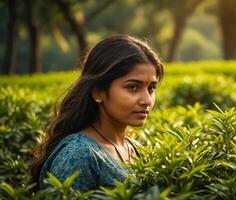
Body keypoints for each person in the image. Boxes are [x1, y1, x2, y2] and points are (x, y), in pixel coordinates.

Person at [29, 35, 164, 192]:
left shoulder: (136, 148)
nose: (147, 100)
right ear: (98, 92)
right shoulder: (79, 155)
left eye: (151, 88)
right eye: (133, 87)